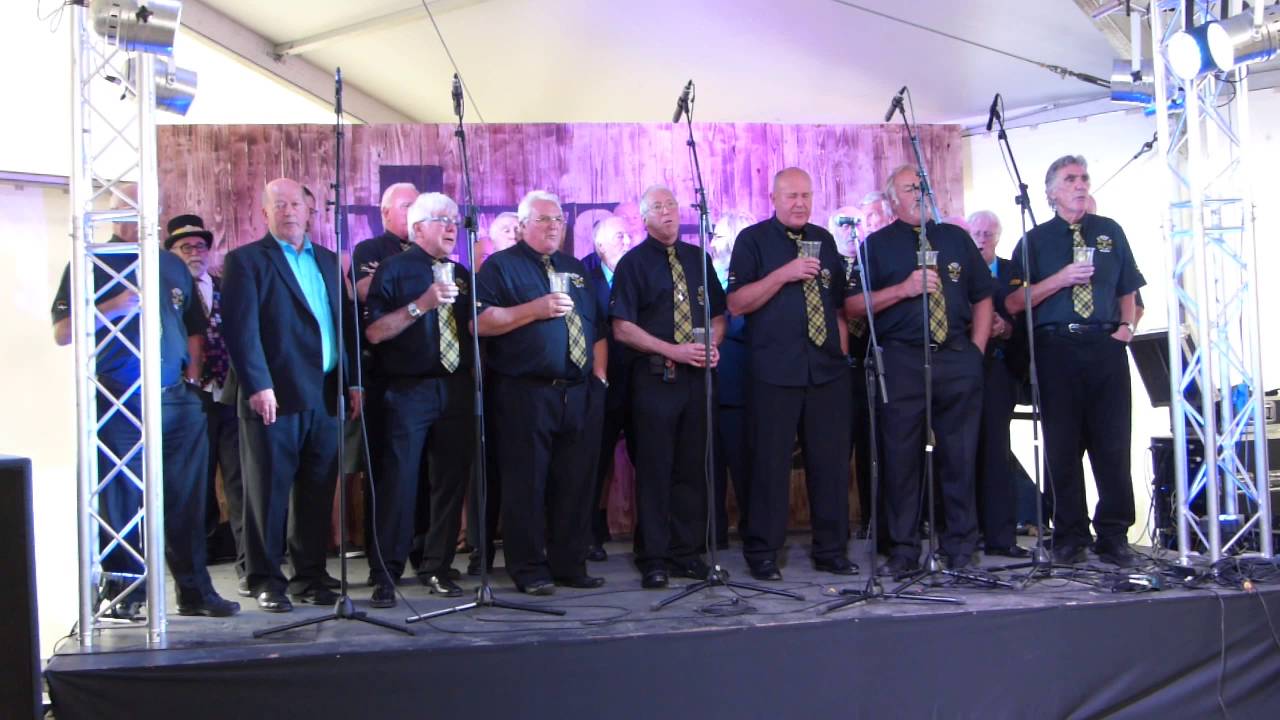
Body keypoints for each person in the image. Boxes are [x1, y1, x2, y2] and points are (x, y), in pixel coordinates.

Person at [52, 186, 238, 618]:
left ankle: (194, 591)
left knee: (187, 500)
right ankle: (123, 595)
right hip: (119, 402)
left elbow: (194, 324)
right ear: (113, 216)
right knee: (121, 499)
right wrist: (113, 307)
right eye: (130, 210)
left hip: (176, 401)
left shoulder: (170, 265)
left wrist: (191, 377)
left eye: (148, 210)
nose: (140, 218)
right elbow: (62, 331)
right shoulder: (90, 260)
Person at [221, 177, 362, 613]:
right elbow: (241, 331)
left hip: (324, 393)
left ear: (309, 209)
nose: (287, 211)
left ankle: (311, 574)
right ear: (264, 213)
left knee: (318, 490)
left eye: (295, 203)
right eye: (277, 204)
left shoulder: (325, 259)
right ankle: (265, 578)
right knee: (268, 492)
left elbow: (343, 323)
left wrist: (353, 380)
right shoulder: (246, 260)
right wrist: (258, 385)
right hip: (273, 396)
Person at [846, 165, 993, 576]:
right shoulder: (877, 245)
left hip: (957, 357)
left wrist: (976, 351)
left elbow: (983, 296)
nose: (920, 192)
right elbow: (854, 307)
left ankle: (961, 546)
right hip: (902, 360)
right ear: (893, 199)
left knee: (960, 456)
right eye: (911, 187)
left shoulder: (955, 238)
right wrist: (903, 290)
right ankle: (904, 549)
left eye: (924, 185)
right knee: (900, 459)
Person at [1004, 155, 1145, 567]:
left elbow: (1128, 286)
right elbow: (1014, 301)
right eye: (1070, 179)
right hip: (1056, 349)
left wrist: (1126, 327)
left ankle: (1114, 533)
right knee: (1063, 446)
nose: (1080, 185)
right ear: (1051, 192)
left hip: (1105, 346)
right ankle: (1069, 534)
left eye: (1084, 177)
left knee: (1113, 443)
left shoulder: (1110, 231)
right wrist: (1059, 280)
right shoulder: (1034, 240)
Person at [475, 190, 607, 594]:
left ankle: (569, 563)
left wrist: (599, 376)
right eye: (544, 220)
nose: (553, 227)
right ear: (522, 225)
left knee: (576, 481)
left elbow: (596, 326)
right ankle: (529, 569)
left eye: (559, 221)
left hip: (579, 391)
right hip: (526, 392)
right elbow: (480, 322)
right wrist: (534, 309)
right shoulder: (500, 267)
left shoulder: (575, 267)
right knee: (526, 484)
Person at [727, 167, 855, 581]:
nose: (800, 203)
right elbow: (737, 303)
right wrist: (783, 274)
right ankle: (763, 552)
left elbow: (838, 306)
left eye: (806, 195)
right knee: (769, 464)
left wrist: (841, 356)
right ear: (774, 198)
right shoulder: (753, 241)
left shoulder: (827, 239)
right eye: (791, 196)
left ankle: (832, 550)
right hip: (774, 371)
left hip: (826, 371)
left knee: (831, 464)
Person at [362, 192, 474, 607]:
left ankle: (438, 566)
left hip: (456, 387)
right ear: (417, 227)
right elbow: (374, 332)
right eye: (441, 219)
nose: (451, 227)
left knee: (449, 483)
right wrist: (421, 305)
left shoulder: (462, 273)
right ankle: (386, 572)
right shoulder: (393, 270)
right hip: (407, 390)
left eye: (455, 220)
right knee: (399, 482)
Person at [611, 185, 726, 588]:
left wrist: (712, 344)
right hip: (655, 378)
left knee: (693, 470)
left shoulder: (699, 259)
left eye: (672, 205)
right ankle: (654, 557)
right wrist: (672, 350)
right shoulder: (632, 264)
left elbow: (719, 313)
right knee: (656, 471)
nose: (668, 212)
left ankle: (686, 552)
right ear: (643, 218)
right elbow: (623, 328)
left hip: (697, 379)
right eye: (657, 207)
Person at [166, 214, 253, 594]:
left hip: (229, 394)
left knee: (240, 479)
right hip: (190, 399)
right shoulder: (167, 292)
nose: (194, 253)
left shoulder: (223, 286)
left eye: (200, 246)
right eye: (185, 247)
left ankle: (249, 564)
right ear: (171, 253)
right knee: (195, 482)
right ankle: (195, 568)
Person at [967, 210, 1030, 559]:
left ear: (999, 236)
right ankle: (965, 531)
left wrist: (1005, 328)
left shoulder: (1012, 272)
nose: (982, 237)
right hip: (963, 370)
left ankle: (1001, 536)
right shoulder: (957, 271)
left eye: (989, 232)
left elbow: (1027, 319)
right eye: (977, 231)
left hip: (1000, 370)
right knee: (963, 451)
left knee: (996, 452)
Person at [580, 215, 633, 561]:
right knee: (595, 462)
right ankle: (589, 531)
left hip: (641, 379)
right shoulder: (585, 275)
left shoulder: (638, 270)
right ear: (600, 245)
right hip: (600, 381)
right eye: (619, 236)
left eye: (629, 234)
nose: (628, 240)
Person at [709, 209, 755, 548]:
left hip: (742, 387)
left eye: (720, 236)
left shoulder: (752, 282)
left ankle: (753, 529)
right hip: (709, 385)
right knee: (710, 466)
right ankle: (714, 531)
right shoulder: (709, 277)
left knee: (745, 465)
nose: (712, 242)